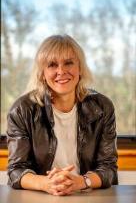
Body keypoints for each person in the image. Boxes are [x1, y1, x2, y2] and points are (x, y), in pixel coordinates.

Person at [7, 34, 118, 196]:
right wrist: (47, 184)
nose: (61, 71)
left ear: (80, 68)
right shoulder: (21, 110)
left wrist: (81, 182)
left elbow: (109, 168)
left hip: (86, 195)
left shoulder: (103, 107)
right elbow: (16, 170)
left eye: (68, 63)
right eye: (52, 65)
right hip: (40, 196)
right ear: (42, 73)